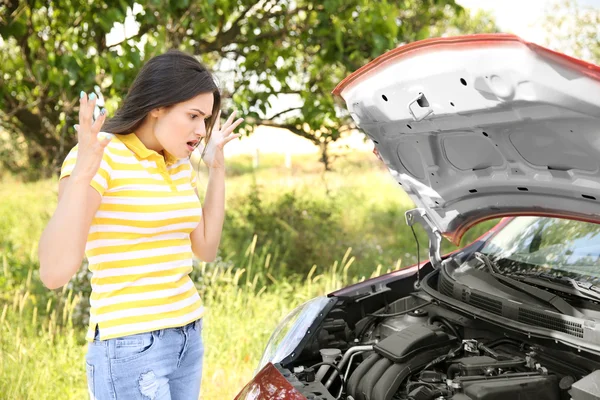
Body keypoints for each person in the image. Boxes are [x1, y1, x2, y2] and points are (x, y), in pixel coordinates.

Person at [38, 49, 243, 399]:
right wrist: (83, 173)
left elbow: (205, 248)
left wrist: (217, 169)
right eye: (193, 116)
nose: (200, 130)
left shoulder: (178, 162)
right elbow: (53, 272)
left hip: (187, 335)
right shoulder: (101, 156)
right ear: (157, 106)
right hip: (132, 345)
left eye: (205, 120)